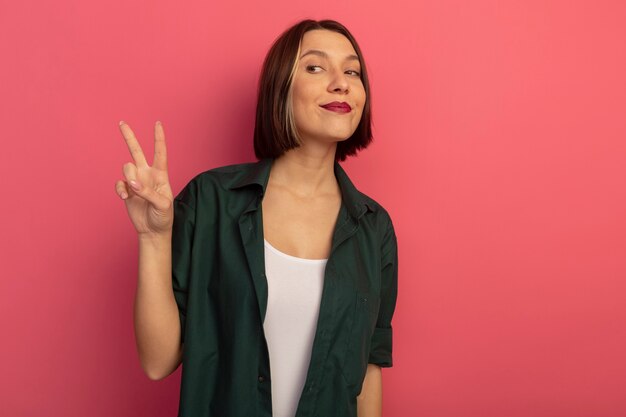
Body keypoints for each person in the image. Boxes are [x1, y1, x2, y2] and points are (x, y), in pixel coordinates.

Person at [115, 19, 398, 417]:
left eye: (352, 71)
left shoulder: (374, 227)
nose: (341, 83)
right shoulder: (210, 201)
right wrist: (152, 237)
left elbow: (367, 373)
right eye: (315, 67)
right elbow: (158, 361)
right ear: (280, 87)